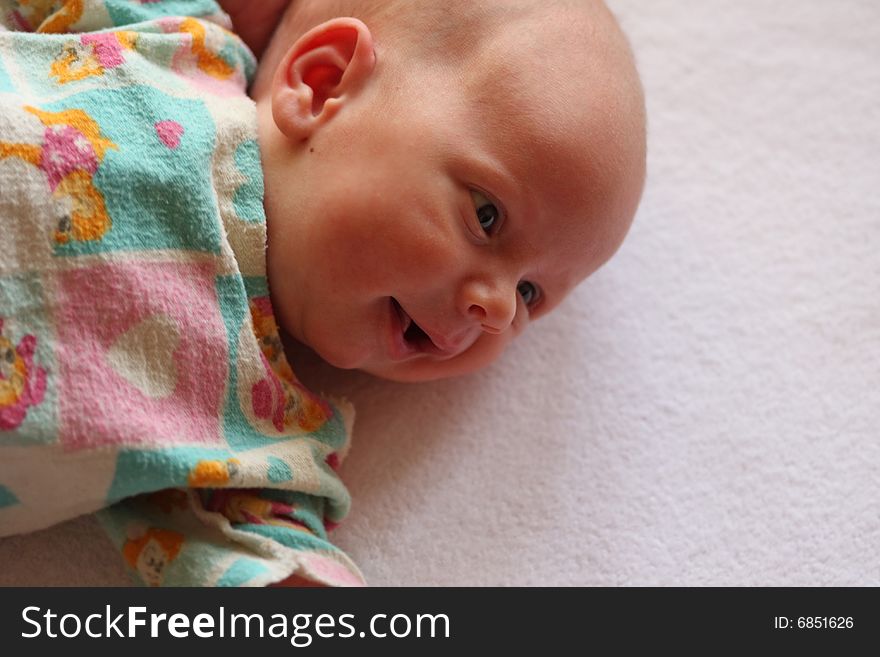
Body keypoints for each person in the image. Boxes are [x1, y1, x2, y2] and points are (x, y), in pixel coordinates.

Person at [0, 0, 645, 586]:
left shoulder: (262, 437)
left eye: (532, 294)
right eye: (486, 216)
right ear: (323, 85)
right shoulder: (168, 39)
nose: (499, 308)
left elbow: (267, 566)